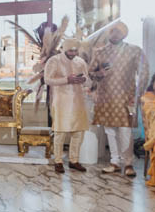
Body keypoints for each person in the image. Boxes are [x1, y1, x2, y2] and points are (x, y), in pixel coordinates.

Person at [89, 21, 148, 177]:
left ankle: (128, 163)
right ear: (109, 33)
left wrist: (137, 94)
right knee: (110, 131)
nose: (115, 35)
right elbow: (91, 72)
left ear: (124, 34)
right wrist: (98, 74)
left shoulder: (134, 51)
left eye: (119, 32)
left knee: (125, 130)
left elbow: (144, 73)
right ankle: (114, 162)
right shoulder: (100, 52)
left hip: (126, 97)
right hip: (106, 97)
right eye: (113, 32)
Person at [44, 38, 90, 173]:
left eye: (75, 50)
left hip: (78, 102)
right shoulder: (54, 61)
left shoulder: (80, 62)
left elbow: (89, 82)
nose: (73, 53)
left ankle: (73, 160)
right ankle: (58, 161)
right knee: (60, 132)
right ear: (64, 49)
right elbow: (47, 79)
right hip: (61, 102)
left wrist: (84, 80)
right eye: (70, 50)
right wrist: (66, 80)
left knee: (79, 132)